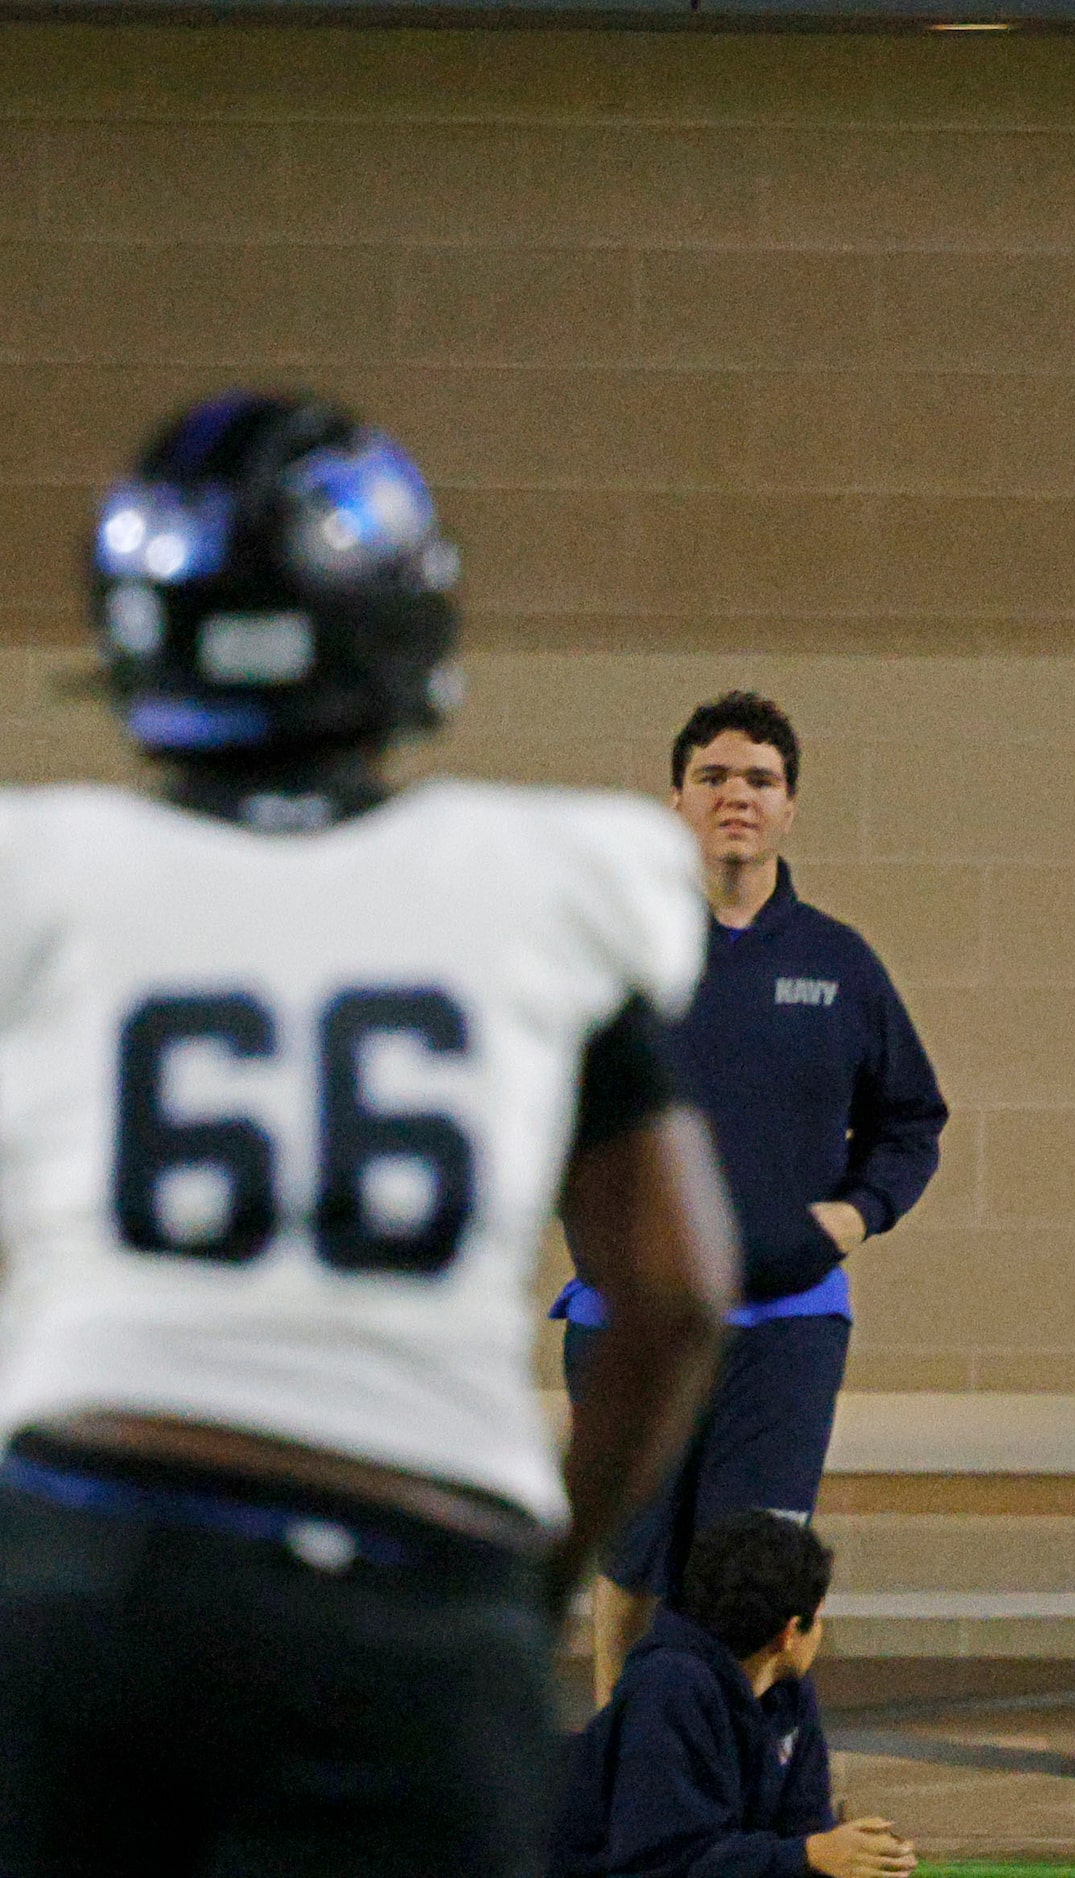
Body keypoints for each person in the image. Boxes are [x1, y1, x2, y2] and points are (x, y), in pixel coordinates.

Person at [0, 393, 736, 1875]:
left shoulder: (40, 870)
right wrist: (526, 1587)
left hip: (82, 1564)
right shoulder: (548, 877)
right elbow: (674, 1289)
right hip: (406, 1584)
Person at [558, 691, 948, 1704]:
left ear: (790, 807)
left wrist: (854, 1215)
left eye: (761, 780)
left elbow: (912, 1121)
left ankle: (738, 1778)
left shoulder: (838, 964)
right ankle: (621, 1767)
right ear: (676, 799)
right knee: (633, 1565)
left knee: (755, 1575)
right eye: (716, 777)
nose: (739, 796)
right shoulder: (619, 957)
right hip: (634, 1318)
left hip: (788, 1326)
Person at [555, 1510, 915, 1878]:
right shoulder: (668, 1688)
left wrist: (857, 1855)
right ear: (789, 1633)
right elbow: (660, 1862)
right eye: (819, 1615)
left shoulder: (788, 1693)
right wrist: (808, 1854)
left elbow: (804, 1829)